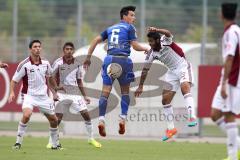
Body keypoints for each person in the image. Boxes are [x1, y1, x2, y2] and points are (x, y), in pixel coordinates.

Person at [83, 6, 149, 137]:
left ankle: (101, 120)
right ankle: (122, 118)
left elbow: (96, 40)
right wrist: (145, 48)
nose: (134, 18)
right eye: (132, 15)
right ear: (124, 16)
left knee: (105, 92)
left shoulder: (110, 29)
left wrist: (88, 58)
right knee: (125, 92)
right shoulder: (130, 28)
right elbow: (135, 46)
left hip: (109, 60)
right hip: (123, 60)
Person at [134, 27, 197, 141]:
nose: (150, 44)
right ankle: (171, 129)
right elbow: (145, 70)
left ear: (157, 40)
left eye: (151, 41)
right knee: (165, 100)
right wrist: (140, 86)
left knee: (185, 88)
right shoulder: (152, 53)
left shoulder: (165, 41)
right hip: (172, 72)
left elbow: (168, 33)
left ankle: (192, 117)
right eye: (149, 42)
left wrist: (157, 29)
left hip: (182, 66)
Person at [8, 40, 63, 150]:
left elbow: (50, 78)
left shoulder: (46, 64)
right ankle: (18, 143)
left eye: (39, 47)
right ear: (30, 49)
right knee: (27, 115)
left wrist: (54, 92)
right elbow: (14, 80)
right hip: (29, 96)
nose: (37, 48)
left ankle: (55, 145)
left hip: (43, 97)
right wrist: (12, 92)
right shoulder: (24, 65)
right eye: (35, 47)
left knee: (54, 120)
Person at [46, 42, 101, 148]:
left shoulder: (78, 63)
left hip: (75, 94)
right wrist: (54, 93)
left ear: (73, 51)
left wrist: (85, 96)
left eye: (71, 49)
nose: (69, 51)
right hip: (62, 94)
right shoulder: (58, 62)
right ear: (63, 51)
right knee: (58, 118)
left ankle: (91, 139)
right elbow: (50, 78)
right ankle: (51, 142)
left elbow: (79, 81)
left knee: (86, 115)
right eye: (67, 49)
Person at [210, 3, 240, 160]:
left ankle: (232, 156)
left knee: (229, 114)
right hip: (228, 77)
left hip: (232, 79)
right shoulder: (233, 31)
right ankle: (238, 145)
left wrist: (224, 83)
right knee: (215, 114)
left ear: (221, 14)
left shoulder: (232, 32)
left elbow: (230, 58)